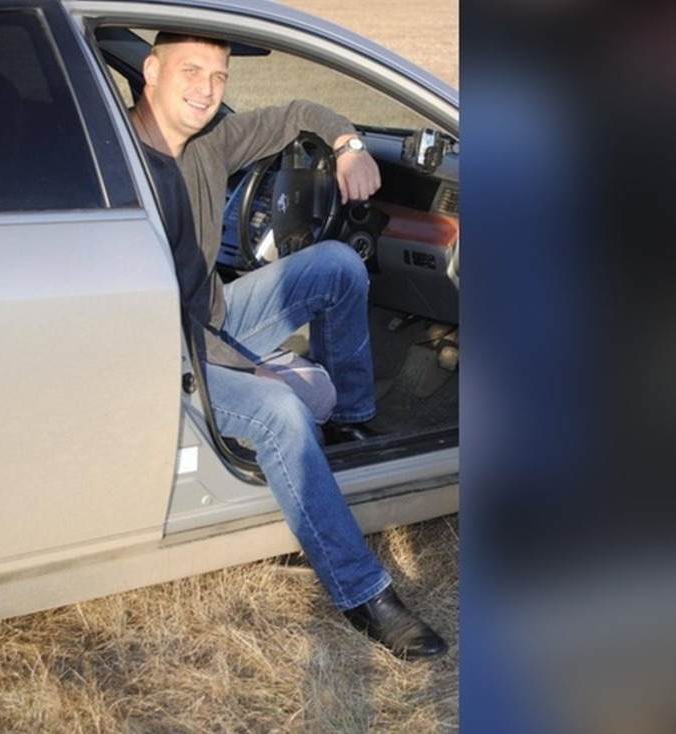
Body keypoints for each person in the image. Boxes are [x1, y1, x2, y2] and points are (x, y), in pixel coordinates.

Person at [130, 32, 446, 660]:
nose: (206, 90)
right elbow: (156, 313)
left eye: (219, 77)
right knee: (278, 412)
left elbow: (301, 111)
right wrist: (251, 373)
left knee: (337, 265)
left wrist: (349, 146)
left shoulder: (209, 142)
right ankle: (362, 592)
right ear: (151, 70)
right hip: (166, 353)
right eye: (191, 71)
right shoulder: (123, 165)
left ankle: (350, 422)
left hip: (213, 320)